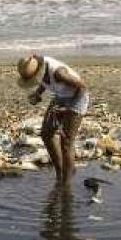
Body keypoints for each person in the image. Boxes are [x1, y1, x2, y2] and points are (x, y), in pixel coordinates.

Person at [17, 53, 89, 186]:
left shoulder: (59, 73)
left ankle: (66, 183)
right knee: (46, 133)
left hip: (77, 99)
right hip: (61, 96)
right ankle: (60, 172)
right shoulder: (40, 68)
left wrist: (68, 110)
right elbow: (45, 81)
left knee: (66, 142)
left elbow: (83, 87)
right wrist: (38, 93)